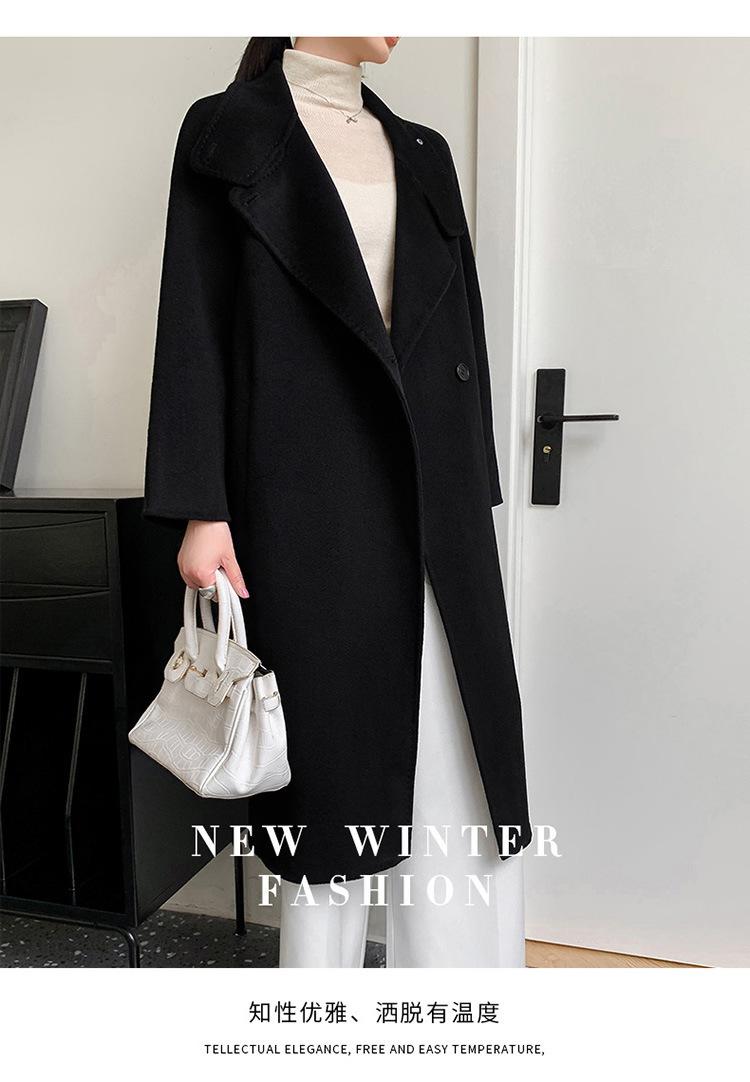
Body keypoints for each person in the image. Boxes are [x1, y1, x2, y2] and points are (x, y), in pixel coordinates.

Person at [142, 36, 531, 967]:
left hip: (437, 502)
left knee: (457, 761)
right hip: (304, 495)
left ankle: (458, 1012)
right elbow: (193, 321)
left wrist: (472, 486)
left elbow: (460, 329)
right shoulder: (227, 132)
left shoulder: (424, 150)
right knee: (329, 781)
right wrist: (202, 507)